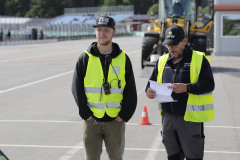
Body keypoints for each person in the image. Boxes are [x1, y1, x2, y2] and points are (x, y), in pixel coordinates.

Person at [72, 16, 137, 160]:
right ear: (95, 32)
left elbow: (130, 91)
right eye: (99, 30)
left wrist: (124, 116)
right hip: (91, 120)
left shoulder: (124, 58)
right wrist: (86, 115)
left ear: (114, 32)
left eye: (106, 30)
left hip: (115, 120)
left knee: (116, 158)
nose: (102, 33)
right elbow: (76, 89)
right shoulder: (85, 58)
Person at [146, 25, 215, 160]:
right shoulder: (161, 61)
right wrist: (148, 91)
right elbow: (151, 82)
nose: (171, 48)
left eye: (175, 44)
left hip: (189, 119)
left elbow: (209, 84)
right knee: (173, 156)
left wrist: (187, 88)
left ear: (184, 41)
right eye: (168, 45)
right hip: (168, 118)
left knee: (193, 156)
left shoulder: (199, 59)